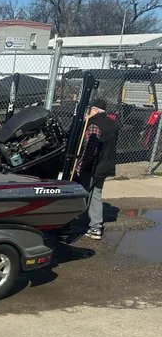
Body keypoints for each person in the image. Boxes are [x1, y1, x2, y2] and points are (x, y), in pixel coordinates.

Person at [75, 99, 118, 240]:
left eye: (89, 110)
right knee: (96, 194)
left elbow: (90, 149)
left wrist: (79, 166)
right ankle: (94, 226)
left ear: (95, 110)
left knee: (86, 194)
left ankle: (94, 227)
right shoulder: (113, 123)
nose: (87, 113)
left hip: (94, 167)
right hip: (106, 165)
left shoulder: (94, 124)